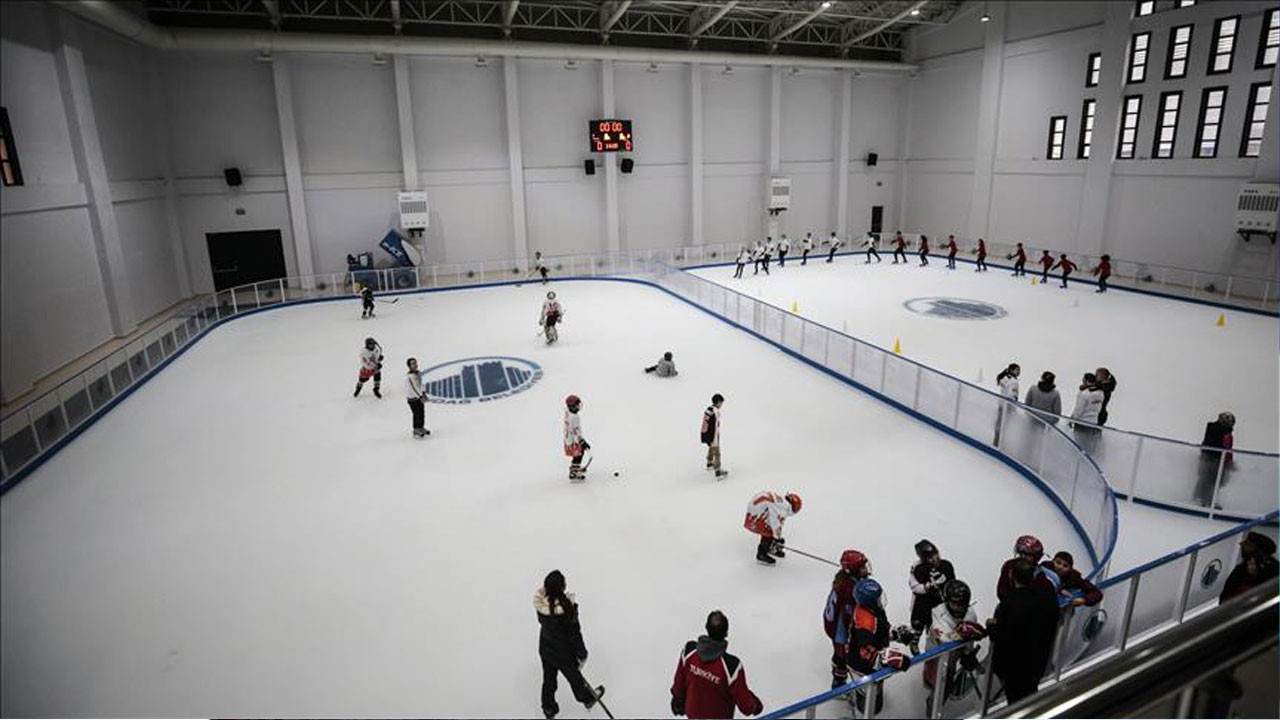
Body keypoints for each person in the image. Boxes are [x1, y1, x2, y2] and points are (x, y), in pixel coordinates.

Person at [987, 560, 1060, 703]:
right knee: (1029, 695)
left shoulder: (1010, 603)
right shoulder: (1045, 595)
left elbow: (1002, 635)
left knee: (1017, 700)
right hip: (1037, 661)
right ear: (1033, 576)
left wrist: (990, 627)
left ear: (1012, 576)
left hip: (1015, 668)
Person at [535, 570, 604, 719]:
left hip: (546, 649)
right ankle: (587, 699)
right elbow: (575, 635)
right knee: (576, 680)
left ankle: (548, 707)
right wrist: (582, 654)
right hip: (563, 654)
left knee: (549, 679)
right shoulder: (567, 610)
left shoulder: (541, 606)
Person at [670, 610, 763, 719]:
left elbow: (679, 683)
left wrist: (678, 699)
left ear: (706, 627)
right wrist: (755, 705)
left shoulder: (689, 652)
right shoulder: (731, 667)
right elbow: (745, 705)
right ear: (726, 633)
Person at [843, 579, 907, 714]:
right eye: (877, 598)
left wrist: (896, 634)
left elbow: (880, 632)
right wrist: (888, 658)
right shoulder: (866, 623)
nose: (880, 600)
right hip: (860, 666)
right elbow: (866, 653)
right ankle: (858, 711)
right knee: (867, 701)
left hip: (868, 662)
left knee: (875, 695)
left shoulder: (873, 611)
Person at [923, 580, 987, 714]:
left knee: (979, 668)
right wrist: (963, 634)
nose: (959, 608)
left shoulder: (971, 613)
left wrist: (968, 652)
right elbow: (945, 640)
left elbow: (970, 636)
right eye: (955, 603)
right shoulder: (937, 612)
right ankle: (932, 708)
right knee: (942, 682)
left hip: (959, 649)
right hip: (937, 653)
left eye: (962, 604)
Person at [825, 550, 873, 688]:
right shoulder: (850, 589)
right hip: (838, 629)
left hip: (833, 623)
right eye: (862, 568)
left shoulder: (844, 579)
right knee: (842, 656)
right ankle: (838, 684)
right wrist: (847, 639)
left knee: (841, 653)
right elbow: (846, 617)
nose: (866, 570)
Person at [909, 540, 956, 635]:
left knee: (942, 627)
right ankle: (917, 637)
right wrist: (930, 586)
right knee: (922, 625)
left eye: (935, 554)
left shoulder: (947, 566)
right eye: (930, 557)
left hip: (942, 603)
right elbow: (914, 587)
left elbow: (953, 584)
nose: (934, 559)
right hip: (925, 604)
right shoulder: (918, 568)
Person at [742, 490, 802, 565]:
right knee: (769, 532)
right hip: (754, 517)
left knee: (771, 529)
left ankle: (771, 547)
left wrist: (777, 537)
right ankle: (761, 555)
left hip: (754, 512)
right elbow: (776, 523)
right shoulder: (784, 507)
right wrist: (777, 539)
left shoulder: (781, 501)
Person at [1219, 532, 1279, 603]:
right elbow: (1224, 598)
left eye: (1247, 544)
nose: (1241, 544)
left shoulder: (1274, 571)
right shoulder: (1240, 570)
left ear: (1258, 551)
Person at [996, 535, 1059, 601]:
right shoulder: (1009, 566)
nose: (1023, 557)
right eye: (1021, 553)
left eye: (1027, 555)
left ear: (1036, 557)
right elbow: (1001, 591)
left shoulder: (1040, 576)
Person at [1195, 411, 1236, 507]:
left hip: (1212, 459)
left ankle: (1203, 498)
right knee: (1210, 479)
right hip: (1213, 459)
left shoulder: (1220, 431)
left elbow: (1227, 448)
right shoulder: (1221, 431)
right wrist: (1228, 460)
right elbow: (1225, 447)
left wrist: (1229, 460)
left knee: (1210, 479)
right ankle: (1206, 500)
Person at [1069, 372, 1103, 454]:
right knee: (1088, 446)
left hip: (1082, 423)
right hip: (1093, 422)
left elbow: (1079, 410)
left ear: (1087, 381)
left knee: (1079, 446)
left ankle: (1078, 462)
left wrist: (1072, 419)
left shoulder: (1084, 394)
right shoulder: (1100, 394)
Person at [994, 363, 1021, 446]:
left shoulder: (1005, 377)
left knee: (999, 424)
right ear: (1012, 370)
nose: (1019, 372)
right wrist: (1014, 401)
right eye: (1017, 370)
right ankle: (1000, 443)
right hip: (1007, 407)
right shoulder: (1013, 382)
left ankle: (996, 441)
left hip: (1001, 404)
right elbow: (1011, 395)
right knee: (1004, 426)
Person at [701, 393, 727, 479]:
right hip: (713, 435)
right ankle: (718, 471)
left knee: (712, 448)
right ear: (718, 402)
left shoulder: (709, 409)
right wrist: (714, 438)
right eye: (721, 403)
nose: (721, 405)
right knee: (717, 452)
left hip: (708, 434)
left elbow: (705, 423)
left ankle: (709, 462)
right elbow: (714, 426)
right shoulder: (715, 411)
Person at [564, 395, 589, 481]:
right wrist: (582, 442)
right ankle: (574, 472)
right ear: (572, 407)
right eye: (577, 405)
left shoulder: (568, 413)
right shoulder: (574, 417)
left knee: (578, 454)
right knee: (579, 454)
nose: (578, 407)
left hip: (569, 440)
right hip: (574, 441)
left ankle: (575, 468)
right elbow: (575, 432)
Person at [405, 357, 429, 438]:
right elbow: (415, 387)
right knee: (416, 414)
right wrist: (421, 396)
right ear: (409, 366)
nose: (415, 365)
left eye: (415, 363)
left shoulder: (418, 373)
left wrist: (424, 393)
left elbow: (421, 384)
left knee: (422, 413)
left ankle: (421, 427)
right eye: (413, 364)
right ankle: (416, 429)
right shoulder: (410, 376)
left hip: (419, 397)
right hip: (412, 398)